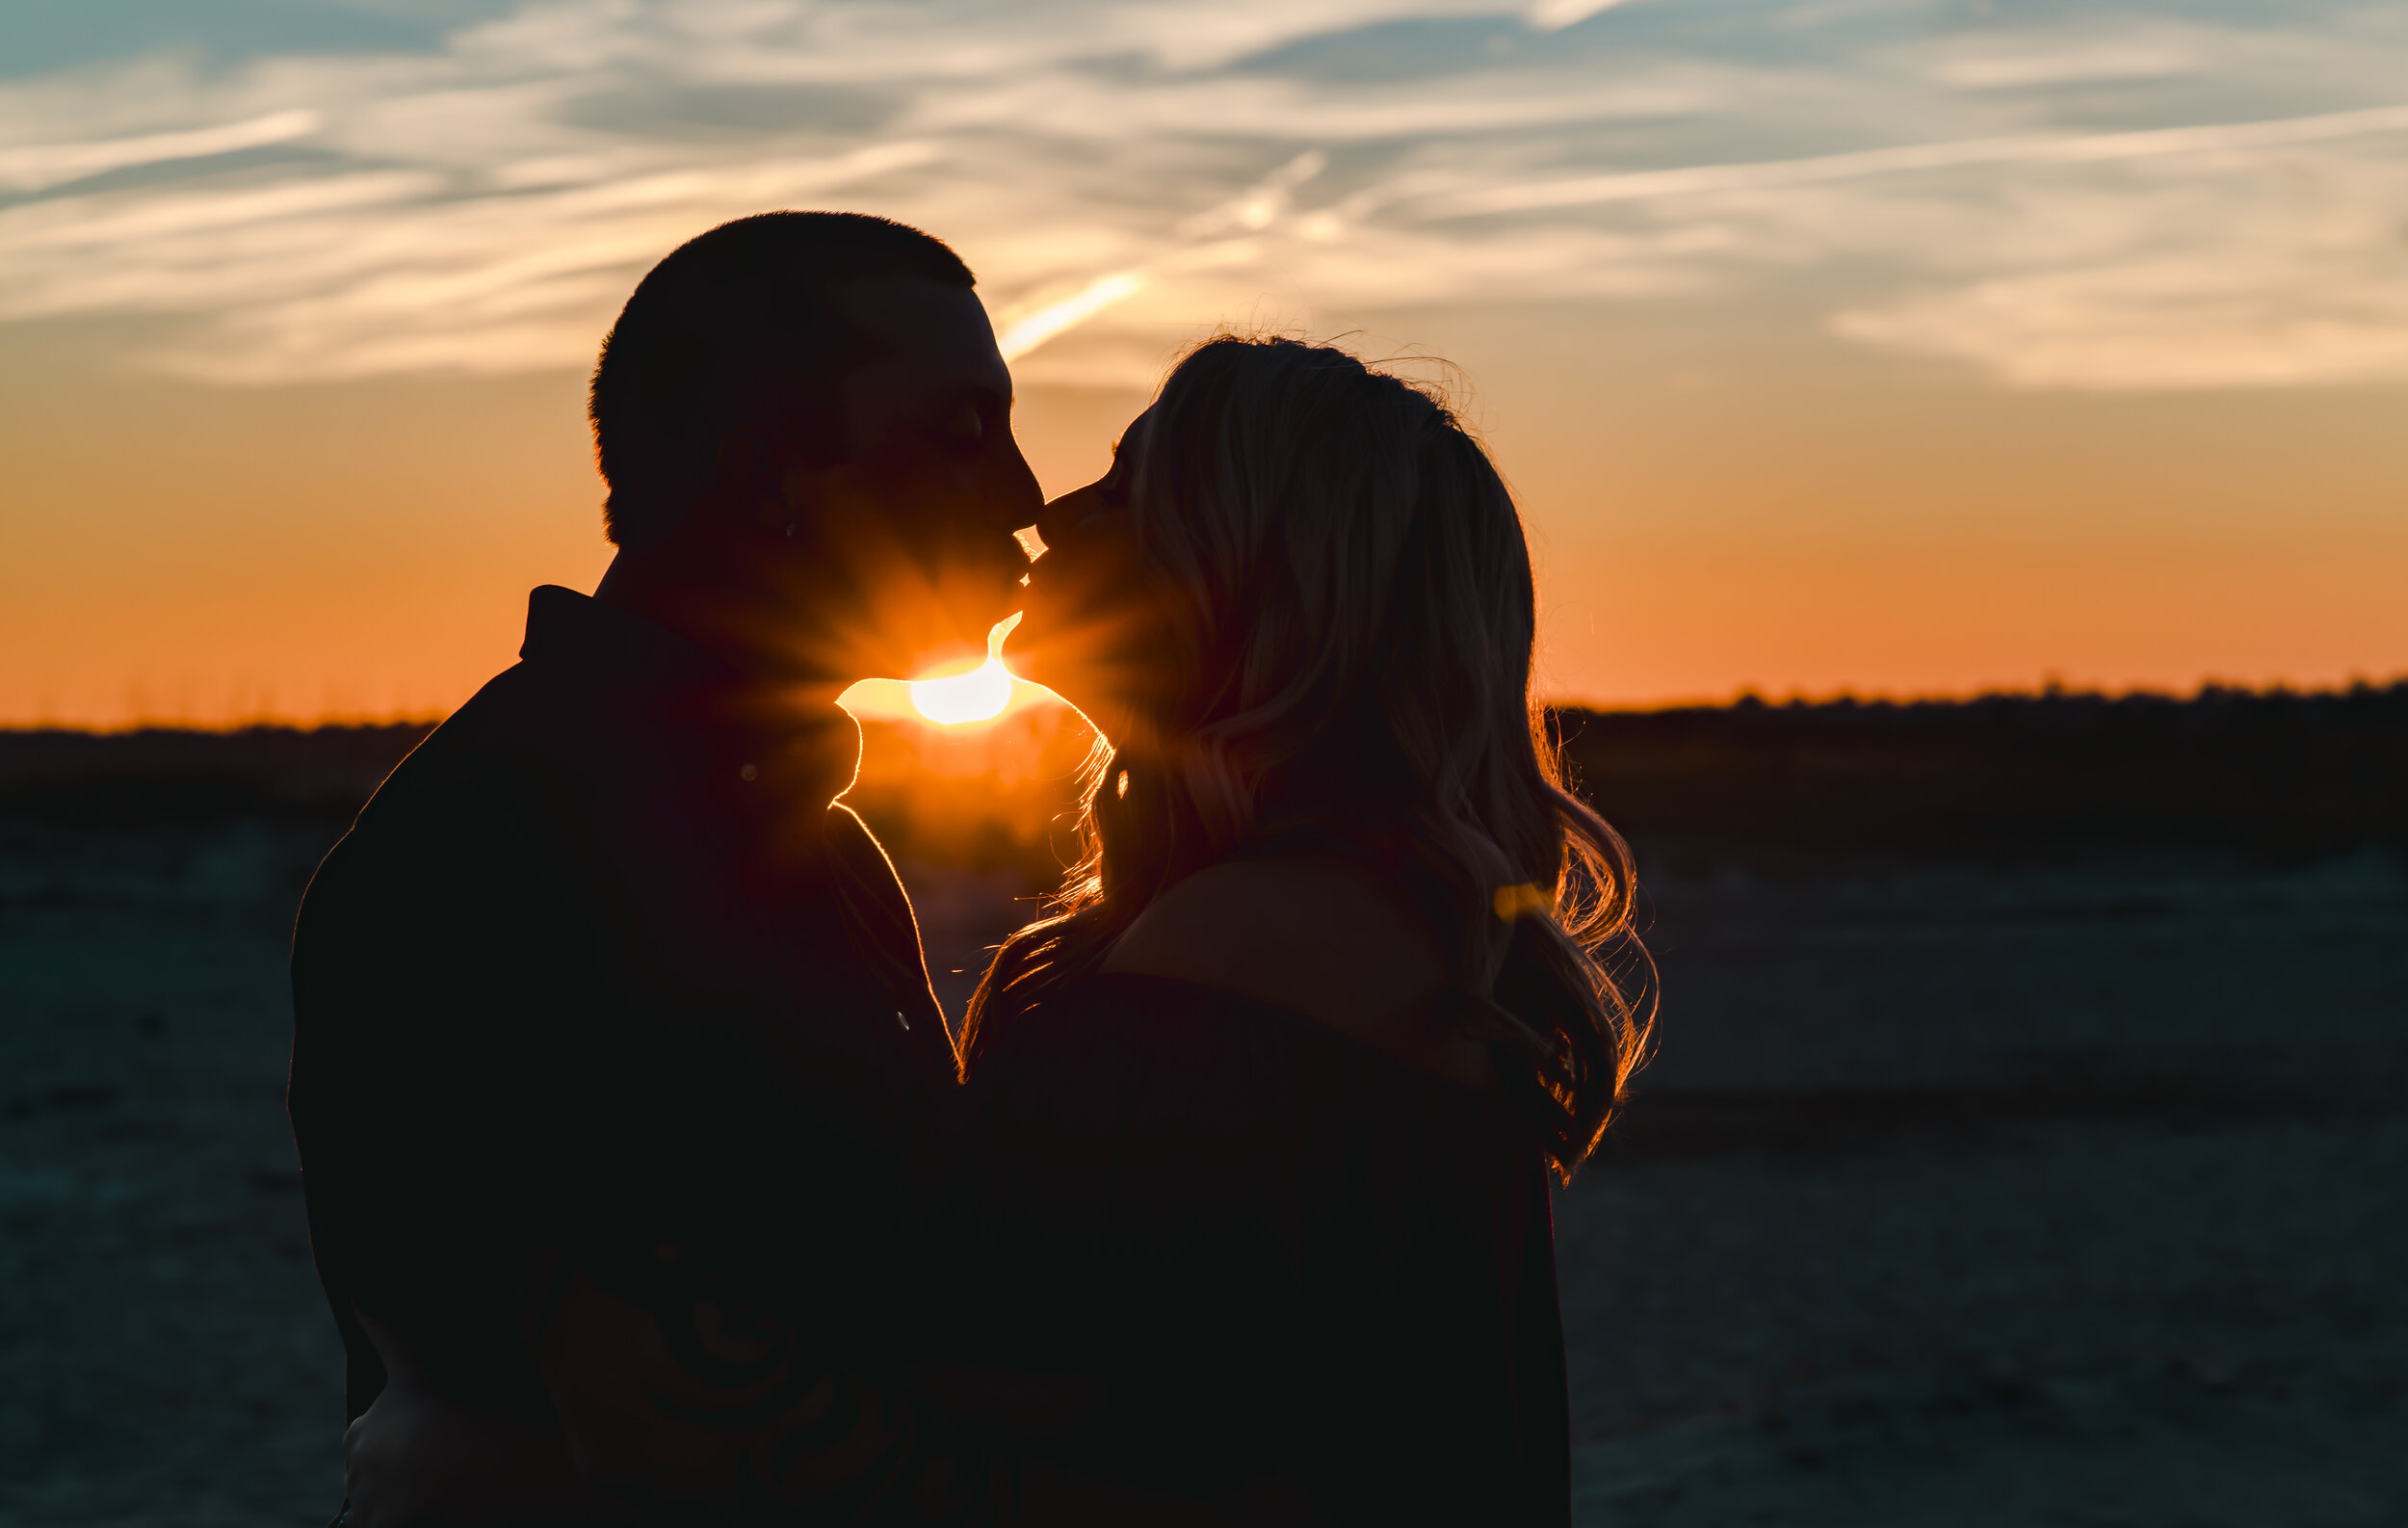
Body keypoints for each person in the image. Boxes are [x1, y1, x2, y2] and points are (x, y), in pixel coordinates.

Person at [290, 210, 1049, 1524]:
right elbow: (667, 1414)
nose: (1028, 498)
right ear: (770, 477)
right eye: (963, 435)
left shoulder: (807, 834)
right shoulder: (512, 843)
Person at [905, 335, 1654, 1524]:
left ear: (1258, 573)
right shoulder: (1362, 917)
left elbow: (994, 1392)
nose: (1053, 513)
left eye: (1131, 486)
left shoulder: (1253, 942)